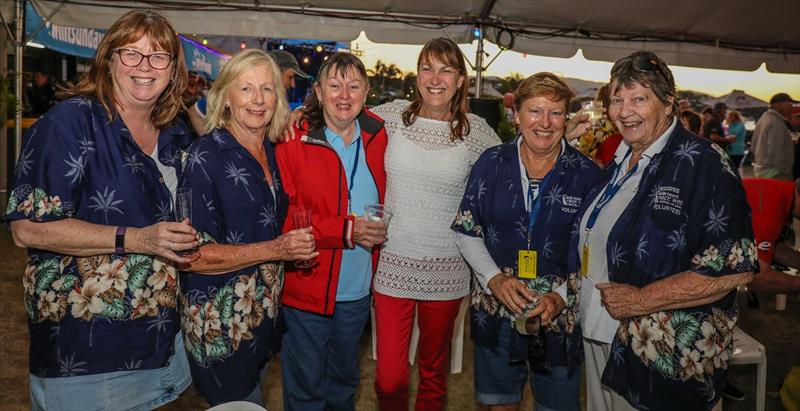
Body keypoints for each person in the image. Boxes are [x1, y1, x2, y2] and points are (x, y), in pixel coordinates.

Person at [5, 10, 197, 411]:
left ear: (173, 70)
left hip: (163, 343)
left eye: (159, 56)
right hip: (90, 353)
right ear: (108, 60)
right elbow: (27, 227)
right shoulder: (70, 123)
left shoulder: (175, 129)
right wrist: (136, 238)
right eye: (131, 54)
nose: (145, 67)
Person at [572, 50, 756, 410]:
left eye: (639, 98)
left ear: (669, 102)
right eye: (617, 100)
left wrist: (639, 300)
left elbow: (734, 267)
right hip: (602, 333)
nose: (624, 111)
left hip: (661, 355)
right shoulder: (623, 157)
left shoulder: (703, 163)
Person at [367, 38, 502, 410]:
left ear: (461, 79)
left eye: (446, 69)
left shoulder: (477, 132)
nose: (436, 77)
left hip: (447, 269)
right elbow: (342, 118)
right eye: (427, 67)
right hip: (393, 262)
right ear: (417, 76)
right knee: (390, 379)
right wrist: (306, 114)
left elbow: (509, 170)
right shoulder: (392, 116)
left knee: (433, 371)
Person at [177, 49, 317, 406]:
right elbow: (191, 256)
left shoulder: (268, 149)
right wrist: (277, 250)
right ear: (225, 98)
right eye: (247, 89)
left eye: (267, 89)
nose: (258, 99)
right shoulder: (205, 157)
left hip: (261, 316)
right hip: (220, 325)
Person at [453, 72, 599, 411]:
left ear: (567, 117)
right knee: (500, 403)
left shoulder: (588, 175)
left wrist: (561, 297)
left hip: (559, 320)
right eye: (535, 111)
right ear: (516, 115)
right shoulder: (490, 163)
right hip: (497, 310)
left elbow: (596, 252)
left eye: (556, 112)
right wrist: (495, 279)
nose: (545, 123)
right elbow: (466, 229)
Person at [275, 52, 388, 410]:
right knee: (307, 387)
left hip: (356, 290)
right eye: (334, 86)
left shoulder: (379, 133)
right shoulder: (293, 138)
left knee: (344, 383)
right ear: (319, 93)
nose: (344, 95)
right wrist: (346, 230)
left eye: (353, 86)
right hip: (307, 287)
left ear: (366, 92)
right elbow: (285, 216)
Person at [752, 92, 798, 180]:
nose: (791, 107)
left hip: (762, 170)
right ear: (779, 105)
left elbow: (754, 146)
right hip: (775, 173)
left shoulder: (763, 118)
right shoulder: (776, 122)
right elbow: (776, 150)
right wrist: (785, 171)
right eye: (790, 104)